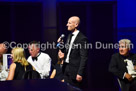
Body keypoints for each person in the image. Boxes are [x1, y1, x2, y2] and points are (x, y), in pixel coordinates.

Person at [59, 16, 88, 88]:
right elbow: (66, 51)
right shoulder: (69, 36)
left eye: (69, 23)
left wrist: (80, 73)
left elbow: (84, 57)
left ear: (76, 25)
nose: (67, 25)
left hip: (75, 70)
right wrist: (61, 45)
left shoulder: (82, 38)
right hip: (66, 67)